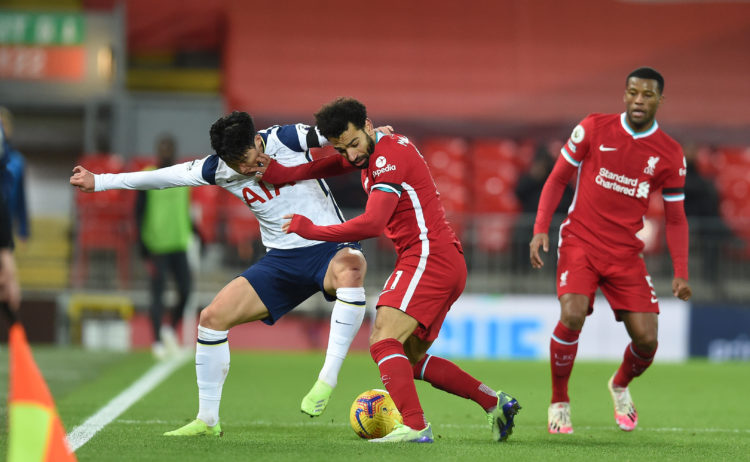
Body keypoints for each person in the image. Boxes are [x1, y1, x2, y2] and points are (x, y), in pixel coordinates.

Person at [70, 111, 377, 436]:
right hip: (282, 261)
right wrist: (100, 181)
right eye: (236, 165)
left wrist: (374, 138)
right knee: (212, 317)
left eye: (248, 159)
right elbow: (161, 178)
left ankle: (326, 379)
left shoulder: (286, 139)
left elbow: (334, 134)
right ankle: (207, 420)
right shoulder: (217, 169)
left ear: (256, 140)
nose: (245, 169)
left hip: (326, 245)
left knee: (351, 268)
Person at [259, 97, 521, 443]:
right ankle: (494, 402)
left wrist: (312, 231)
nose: (351, 155)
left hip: (428, 256)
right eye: (342, 148)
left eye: (353, 144)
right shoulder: (376, 149)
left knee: (383, 340)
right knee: (408, 359)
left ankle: (414, 427)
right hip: (440, 259)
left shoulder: (387, 157)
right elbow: (333, 166)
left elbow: (372, 223)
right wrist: (287, 174)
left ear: (367, 125)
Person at [529, 67, 692, 434]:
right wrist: (540, 228)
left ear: (659, 100)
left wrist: (681, 270)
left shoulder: (669, 154)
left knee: (648, 340)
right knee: (572, 314)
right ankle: (559, 400)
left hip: (625, 254)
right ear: (624, 94)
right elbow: (556, 178)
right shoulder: (593, 127)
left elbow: (677, 219)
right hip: (580, 242)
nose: (638, 100)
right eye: (633, 92)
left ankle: (619, 385)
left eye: (647, 95)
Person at [134, 134, 193, 359]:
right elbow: (138, 212)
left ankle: (169, 329)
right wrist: (141, 243)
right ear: (158, 151)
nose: (166, 151)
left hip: (179, 242)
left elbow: (184, 210)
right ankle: (157, 340)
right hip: (156, 245)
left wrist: (198, 233)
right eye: (163, 147)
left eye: (170, 147)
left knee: (186, 291)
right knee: (157, 295)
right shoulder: (148, 176)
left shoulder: (182, 176)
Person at [0, 107, 30, 242]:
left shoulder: (18, 161)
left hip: (5, 222)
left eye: (3, 124)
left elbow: (20, 196)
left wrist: (23, 229)